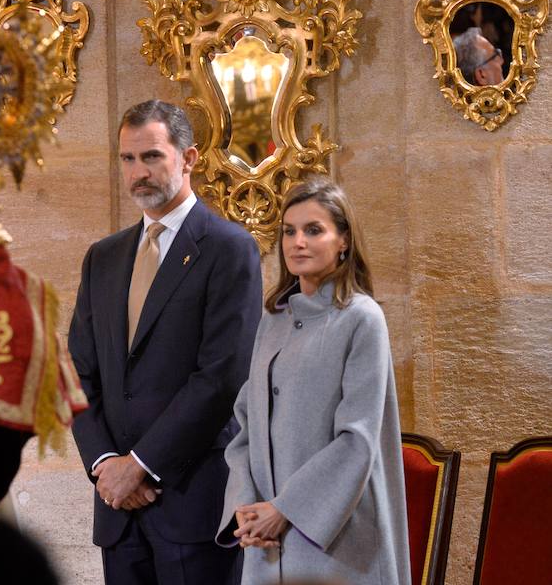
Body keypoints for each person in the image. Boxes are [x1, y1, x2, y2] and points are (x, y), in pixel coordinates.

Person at [69, 99, 263, 585]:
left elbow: (222, 378)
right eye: (128, 159)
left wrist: (142, 466)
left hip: (190, 503)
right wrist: (105, 465)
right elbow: (78, 373)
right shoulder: (103, 257)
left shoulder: (229, 249)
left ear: (189, 158)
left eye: (152, 156)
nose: (139, 173)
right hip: (118, 511)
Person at [217, 178, 410, 584]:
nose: (297, 242)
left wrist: (285, 510)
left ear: (343, 241)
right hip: (267, 546)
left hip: (339, 544)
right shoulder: (272, 319)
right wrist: (245, 505)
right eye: (289, 231)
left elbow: (357, 438)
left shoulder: (362, 318)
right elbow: (246, 423)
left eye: (313, 230)